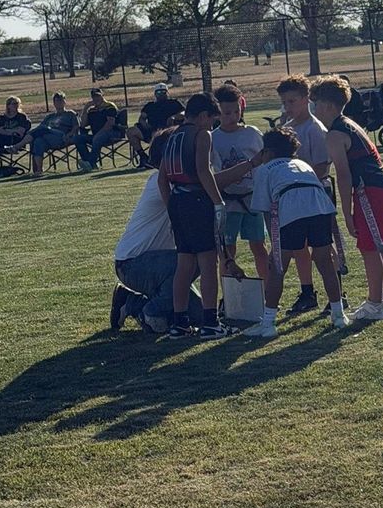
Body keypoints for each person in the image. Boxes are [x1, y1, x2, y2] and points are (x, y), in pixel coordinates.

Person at [112, 128, 262, 333]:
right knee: (196, 261)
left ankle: (129, 299)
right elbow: (212, 182)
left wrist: (227, 260)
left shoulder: (176, 183)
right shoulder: (163, 183)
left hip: (160, 263)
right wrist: (252, 163)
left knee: (198, 314)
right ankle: (141, 308)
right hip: (133, 263)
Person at [247, 128, 350, 338]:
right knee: (324, 262)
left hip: (291, 209)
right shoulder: (303, 165)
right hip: (320, 207)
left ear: (267, 152)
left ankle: (268, 323)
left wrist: (274, 247)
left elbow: (264, 209)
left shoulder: (265, 170)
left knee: (277, 267)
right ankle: (339, 315)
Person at [311, 75, 383, 322]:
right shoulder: (349, 124)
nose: (314, 109)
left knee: (369, 248)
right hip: (380, 188)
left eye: (316, 104)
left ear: (327, 106)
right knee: (376, 246)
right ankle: (379, 297)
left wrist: (347, 214)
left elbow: (344, 175)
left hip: (369, 191)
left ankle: (375, 304)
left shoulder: (335, 134)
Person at [157, 92, 232, 339]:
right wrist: (218, 201)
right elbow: (203, 170)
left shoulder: (172, 135)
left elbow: (162, 178)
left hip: (177, 201)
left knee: (184, 263)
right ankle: (210, 322)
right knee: (208, 263)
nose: (212, 126)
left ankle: (180, 323)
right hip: (197, 201)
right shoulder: (202, 134)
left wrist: (171, 206)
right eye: (212, 120)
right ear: (202, 117)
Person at [277, 75, 340, 315]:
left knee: (324, 248)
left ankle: (337, 293)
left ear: (306, 100)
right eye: (285, 102)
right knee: (297, 247)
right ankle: (307, 292)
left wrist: (298, 174)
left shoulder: (315, 129)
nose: (288, 107)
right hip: (294, 197)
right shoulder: (288, 128)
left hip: (316, 193)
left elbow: (323, 166)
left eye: (292, 101)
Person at [211, 84, 267, 279]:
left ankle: (268, 290)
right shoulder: (213, 139)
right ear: (217, 113)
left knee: (259, 245)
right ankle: (228, 293)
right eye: (227, 113)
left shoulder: (252, 133)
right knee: (227, 250)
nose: (233, 116)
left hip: (252, 200)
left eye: (237, 111)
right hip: (228, 202)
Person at [18, 92, 79, 176]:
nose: (58, 102)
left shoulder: (70, 114)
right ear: (53, 103)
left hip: (62, 137)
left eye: (61, 100)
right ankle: (38, 171)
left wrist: (69, 134)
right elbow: (39, 129)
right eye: (56, 101)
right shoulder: (50, 116)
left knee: (43, 129)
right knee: (38, 141)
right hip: (48, 139)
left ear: (65, 101)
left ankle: (18, 145)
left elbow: (76, 126)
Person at [128, 82, 186, 169]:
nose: (161, 94)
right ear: (155, 94)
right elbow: (142, 117)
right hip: (152, 130)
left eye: (164, 92)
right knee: (131, 131)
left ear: (167, 93)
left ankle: (157, 160)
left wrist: (174, 117)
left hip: (170, 131)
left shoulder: (174, 103)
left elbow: (184, 113)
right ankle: (143, 157)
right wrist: (143, 122)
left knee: (157, 134)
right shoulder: (150, 106)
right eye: (159, 92)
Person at [74, 86, 121, 170]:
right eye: (94, 97)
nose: (96, 98)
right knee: (78, 138)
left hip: (112, 133)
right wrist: (85, 109)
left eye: (98, 96)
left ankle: (91, 163)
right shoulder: (92, 110)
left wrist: (98, 134)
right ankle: (87, 161)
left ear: (102, 95)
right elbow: (83, 125)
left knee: (97, 138)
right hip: (97, 135)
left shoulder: (109, 106)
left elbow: (110, 124)